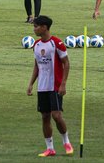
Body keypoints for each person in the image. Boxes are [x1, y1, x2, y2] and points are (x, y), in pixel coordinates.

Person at [27, 15, 74, 157]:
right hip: (42, 87)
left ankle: (66, 142)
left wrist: (63, 84)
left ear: (44, 27)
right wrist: (30, 84)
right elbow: (37, 66)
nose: (34, 29)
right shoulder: (36, 45)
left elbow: (66, 63)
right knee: (45, 116)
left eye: (36, 26)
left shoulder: (57, 43)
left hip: (55, 85)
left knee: (57, 115)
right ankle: (50, 148)